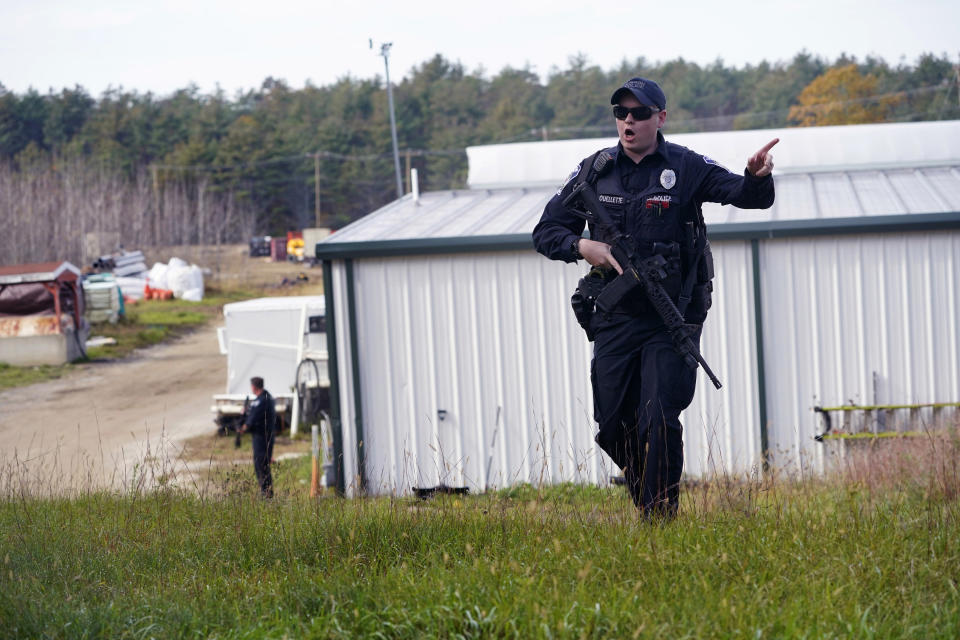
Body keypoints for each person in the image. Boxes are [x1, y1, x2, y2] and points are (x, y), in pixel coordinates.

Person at [532, 77, 778, 517]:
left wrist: (756, 177)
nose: (629, 120)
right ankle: (650, 498)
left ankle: (660, 518)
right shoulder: (594, 170)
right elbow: (546, 231)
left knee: (658, 418)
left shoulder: (684, 167)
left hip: (673, 317)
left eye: (640, 113)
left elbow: (743, 196)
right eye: (621, 113)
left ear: (660, 118)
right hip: (616, 316)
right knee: (611, 427)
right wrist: (583, 248)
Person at [241, 376, 278, 497]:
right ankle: (266, 493)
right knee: (262, 465)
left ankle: (267, 495)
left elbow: (252, 419)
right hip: (264, 437)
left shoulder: (262, 401)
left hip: (262, 438)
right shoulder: (266, 398)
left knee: (261, 466)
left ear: (253, 386)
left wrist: (243, 427)